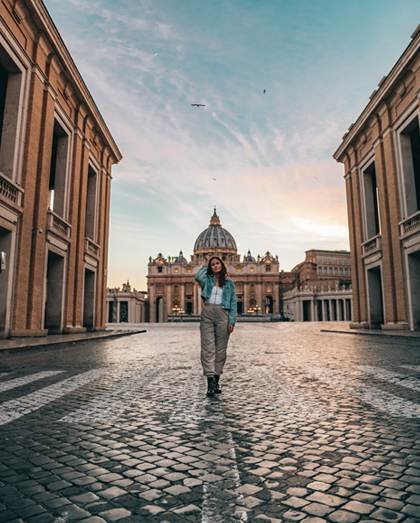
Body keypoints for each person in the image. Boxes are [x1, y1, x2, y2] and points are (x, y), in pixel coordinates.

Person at [195, 256, 237, 397]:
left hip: (223, 314)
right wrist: (204, 265)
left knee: (221, 350)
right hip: (207, 313)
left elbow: (233, 303)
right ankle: (210, 382)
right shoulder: (206, 280)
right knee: (207, 349)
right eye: (212, 264)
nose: (215, 266)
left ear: (222, 264)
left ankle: (217, 378)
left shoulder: (229, 283)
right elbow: (197, 276)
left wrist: (232, 321)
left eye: (217, 263)